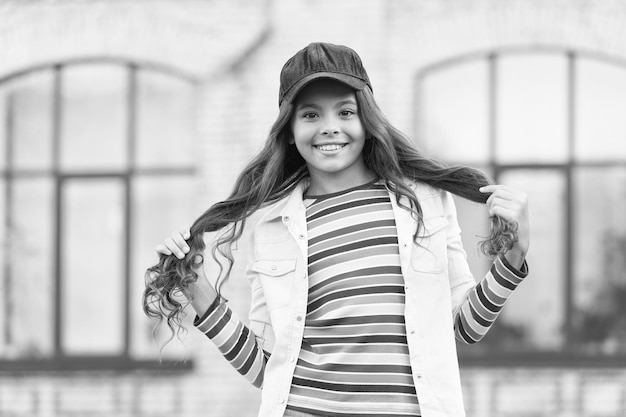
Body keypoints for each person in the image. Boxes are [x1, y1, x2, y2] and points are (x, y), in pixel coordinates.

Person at [143, 42, 530, 417]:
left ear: (367, 119)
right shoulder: (273, 228)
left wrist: (513, 258)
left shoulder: (425, 202)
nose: (330, 128)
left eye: (345, 112)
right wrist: (201, 293)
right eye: (311, 115)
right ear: (289, 130)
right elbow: (267, 369)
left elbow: (463, 327)